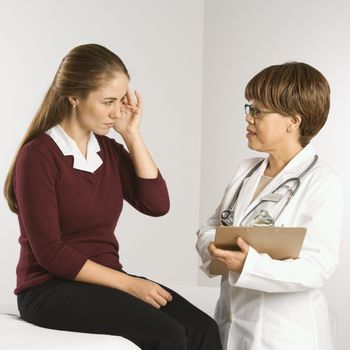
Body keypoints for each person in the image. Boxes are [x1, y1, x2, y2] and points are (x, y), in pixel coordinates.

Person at [3, 43, 222, 350]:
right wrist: (130, 284)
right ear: (74, 98)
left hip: (103, 281)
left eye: (121, 100)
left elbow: (157, 204)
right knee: (167, 335)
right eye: (108, 101)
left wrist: (131, 135)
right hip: (47, 289)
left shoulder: (107, 150)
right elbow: (51, 253)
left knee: (202, 328)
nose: (117, 111)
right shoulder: (38, 155)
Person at [196, 62, 344, 350]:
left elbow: (317, 266)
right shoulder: (246, 170)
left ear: (293, 121)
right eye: (248, 109)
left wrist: (249, 264)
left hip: (285, 336)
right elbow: (212, 227)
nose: (249, 119)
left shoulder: (323, 183)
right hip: (231, 326)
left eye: (258, 111)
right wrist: (215, 249)